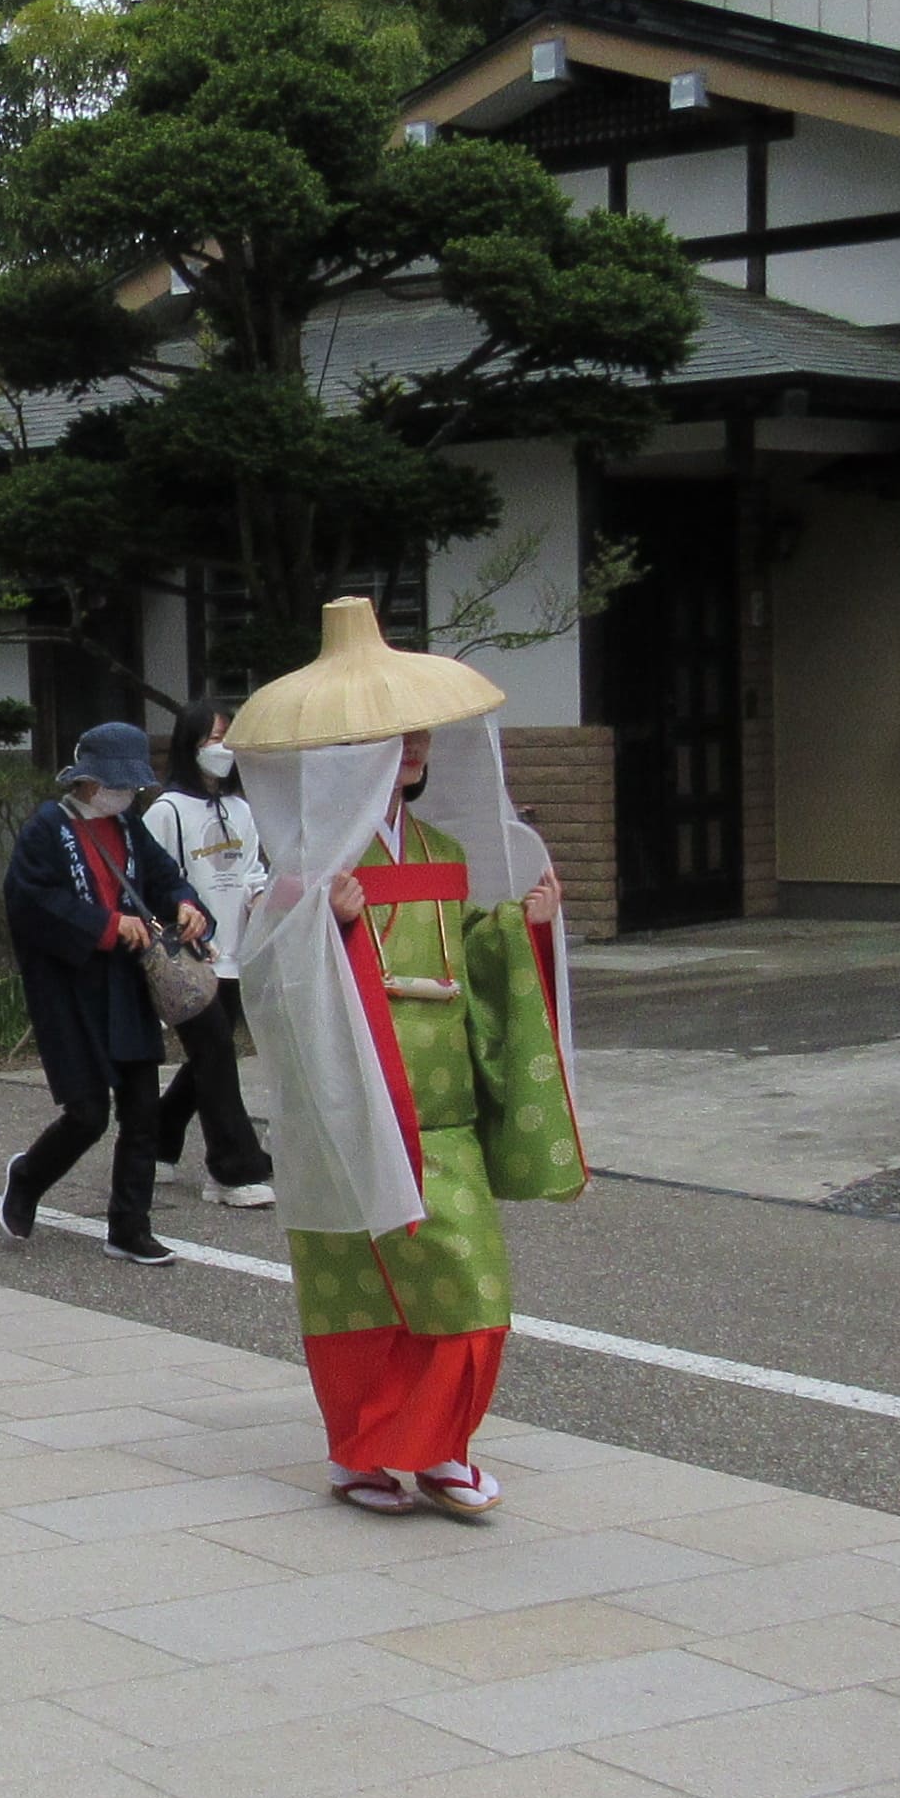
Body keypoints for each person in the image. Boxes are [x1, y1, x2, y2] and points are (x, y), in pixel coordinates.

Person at [227, 601, 583, 1519]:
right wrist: (320, 921)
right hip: (350, 1110)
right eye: (394, 733)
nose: (415, 743)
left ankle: (438, 1446)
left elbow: (466, 947)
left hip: (442, 1109)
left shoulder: (446, 850)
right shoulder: (304, 862)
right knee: (356, 1292)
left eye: (418, 730)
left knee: (468, 1285)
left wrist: (520, 928)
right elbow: (262, 977)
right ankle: (361, 1454)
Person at [0, 718, 202, 1265]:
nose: (126, 793)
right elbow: (29, 900)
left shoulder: (130, 825)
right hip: (70, 987)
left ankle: (130, 1226)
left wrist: (185, 902)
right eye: (120, 784)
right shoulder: (48, 826)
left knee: (142, 1111)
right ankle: (28, 1176)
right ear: (88, 780)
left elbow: (164, 876)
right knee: (88, 1113)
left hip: (127, 983)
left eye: (132, 785)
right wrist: (105, 926)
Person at [144, 709, 274, 1207]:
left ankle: (158, 1137)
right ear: (190, 743)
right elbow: (154, 882)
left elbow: (252, 870)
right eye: (213, 738)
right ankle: (233, 1168)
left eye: (227, 738)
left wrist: (261, 899)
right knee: (216, 1054)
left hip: (238, 954)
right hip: (193, 959)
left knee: (210, 1058)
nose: (222, 748)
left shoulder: (241, 808)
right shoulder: (167, 811)